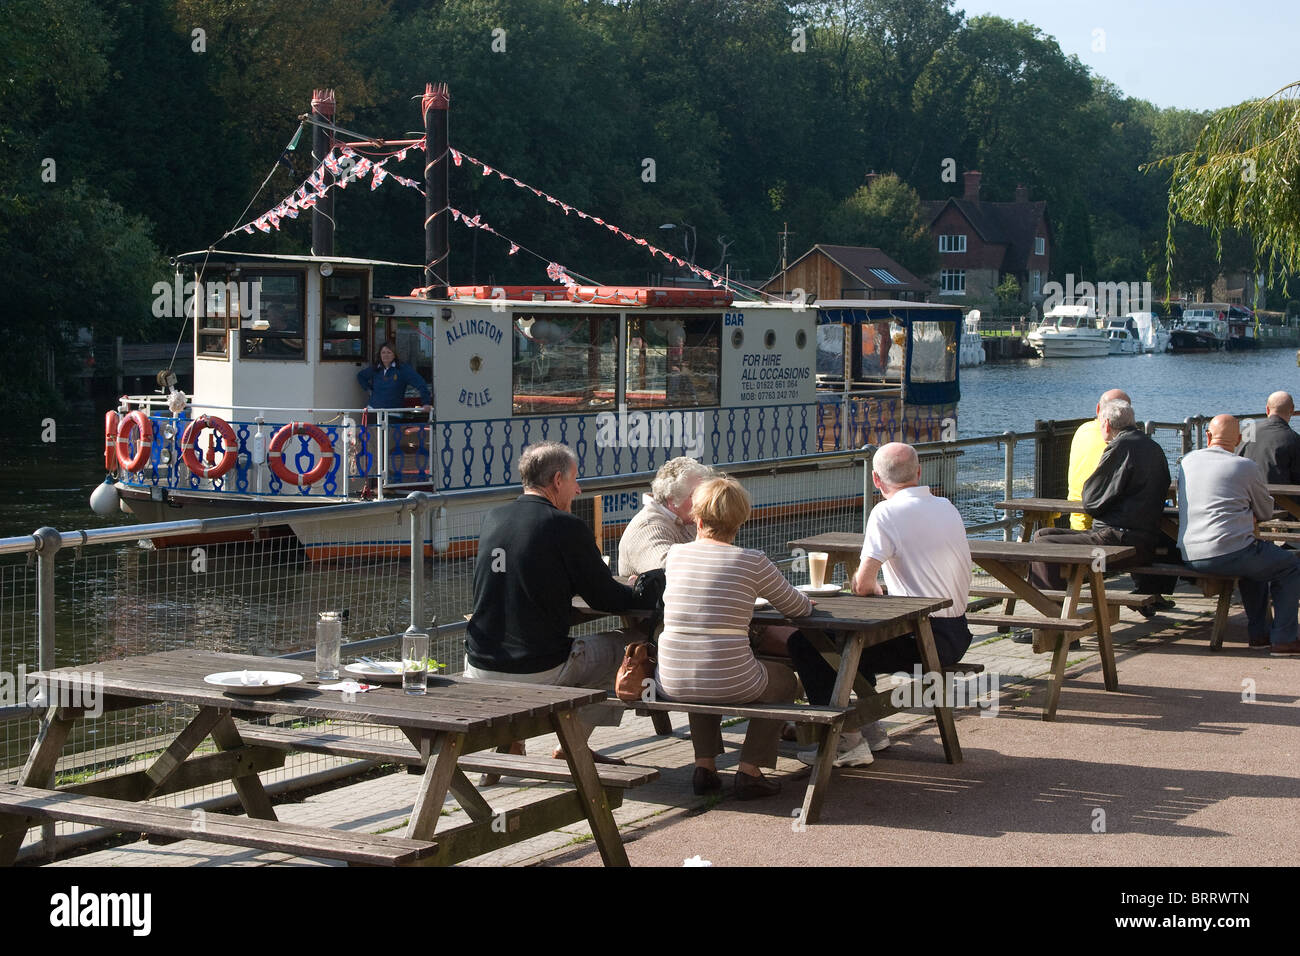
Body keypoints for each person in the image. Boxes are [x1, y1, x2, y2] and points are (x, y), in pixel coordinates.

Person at [464, 442, 657, 761]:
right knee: (633, 648)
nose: (578, 489)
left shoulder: (493, 518)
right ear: (557, 481)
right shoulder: (564, 526)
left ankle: (514, 741)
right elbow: (607, 598)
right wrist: (636, 587)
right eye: (574, 479)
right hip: (536, 668)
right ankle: (573, 747)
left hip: (479, 663)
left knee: (574, 651)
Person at [787, 442, 973, 767]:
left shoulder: (885, 512)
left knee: (809, 644)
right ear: (918, 472)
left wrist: (870, 585)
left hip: (924, 639)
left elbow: (861, 585)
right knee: (852, 643)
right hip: (956, 632)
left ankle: (846, 741)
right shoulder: (946, 506)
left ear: (875, 479)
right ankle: (868, 729)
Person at [656, 476, 810, 800]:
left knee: (699, 667)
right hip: (732, 680)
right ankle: (750, 771)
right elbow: (797, 608)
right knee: (784, 680)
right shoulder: (752, 561)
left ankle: (704, 766)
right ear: (741, 520)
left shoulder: (675, 555)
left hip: (671, 679)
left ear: (697, 518)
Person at [1178, 415, 1300, 655]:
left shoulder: (1187, 461)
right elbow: (1265, 511)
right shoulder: (1244, 466)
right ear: (1239, 439)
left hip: (1189, 553)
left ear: (1208, 436)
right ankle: (1284, 639)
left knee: (1255, 567)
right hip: (1230, 551)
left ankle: (1259, 635)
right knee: (1289, 566)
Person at [1031, 399, 1172, 603]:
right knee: (1043, 533)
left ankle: (1050, 620)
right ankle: (1052, 610)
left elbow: (1092, 502)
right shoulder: (1153, 447)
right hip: (1144, 543)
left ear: (1105, 424)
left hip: (1118, 547)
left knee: (1045, 544)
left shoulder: (1121, 447)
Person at [617, 457, 714, 577]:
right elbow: (670, 572)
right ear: (672, 499)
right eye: (695, 494)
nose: (704, 500)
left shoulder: (688, 519)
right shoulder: (648, 528)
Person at [1066, 388, 1131, 530]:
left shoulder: (1082, 430)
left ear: (1098, 409)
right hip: (1105, 519)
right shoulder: (1121, 440)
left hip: (1076, 516)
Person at [1239, 391, 1300, 484]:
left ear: (1267, 409)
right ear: (1292, 410)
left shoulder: (1247, 432)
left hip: (1248, 495)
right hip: (1281, 497)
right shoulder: (1294, 439)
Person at [357, 341, 431, 412]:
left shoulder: (403, 370)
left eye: (389, 352)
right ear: (379, 354)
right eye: (383, 352)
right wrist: (370, 389)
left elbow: (421, 384)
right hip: (373, 411)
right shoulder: (376, 368)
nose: (385, 355)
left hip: (393, 413)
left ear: (394, 355)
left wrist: (426, 403)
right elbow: (361, 376)